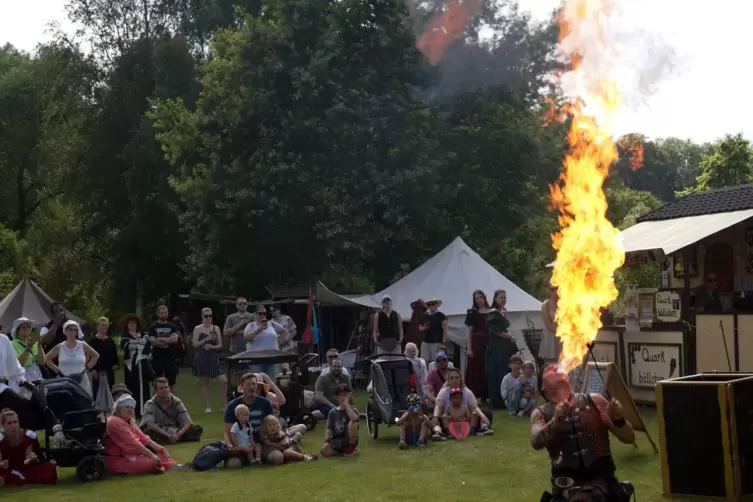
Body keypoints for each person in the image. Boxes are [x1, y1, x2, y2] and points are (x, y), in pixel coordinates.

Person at [531, 363, 635, 501]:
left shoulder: (595, 401)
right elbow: (535, 441)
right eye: (548, 369)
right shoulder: (541, 414)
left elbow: (629, 437)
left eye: (557, 366)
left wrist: (617, 420)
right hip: (565, 490)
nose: (555, 367)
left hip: (602, 486)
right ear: (542, 387)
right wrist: (556, 420)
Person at [103, 394, 179, 475]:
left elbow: (143, 438)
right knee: (152, 462)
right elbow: (134, 443)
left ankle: (163, 464)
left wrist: (161, 449)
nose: (130, 410)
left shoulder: (129, 421)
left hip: (128, 456)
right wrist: (152, 455)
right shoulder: (114, 421)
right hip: (116, 459)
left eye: (132, 408)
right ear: (118, 408)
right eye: (127, 407)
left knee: (159, 455)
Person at [224, 372, 274, 468]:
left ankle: (258, 459)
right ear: (242, 387)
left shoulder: (265, 403)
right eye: (248, 384)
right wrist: (230, 445)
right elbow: (227, 432)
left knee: (276, 458)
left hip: (262, 443)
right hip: (241, 444)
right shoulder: (232, 406)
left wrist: (271, 440)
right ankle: (249, 460)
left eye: (254, 384)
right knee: (233, 465)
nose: (252, 387)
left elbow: (272, 423)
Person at [0, 409, 57, 487]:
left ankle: (9, 480)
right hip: (9, 468)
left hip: (25, 468)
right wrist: (2, 464)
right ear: (3, 425)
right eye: (9, 423)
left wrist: (32, 457)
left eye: (15, 422)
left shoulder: (27, 436)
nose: (13, 426)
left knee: (49, 468)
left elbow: (29, 455)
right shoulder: (1, 439)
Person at [432, 367, 493, 439]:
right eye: (452, 378)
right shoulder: (443, 392)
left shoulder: (466, 392)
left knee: (486, 413)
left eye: (456, 377)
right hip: (449, 422)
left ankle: (483, 427)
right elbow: (438, 407)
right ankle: (439, 433)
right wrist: (435, 417)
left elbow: (475, 407)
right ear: (448, 380)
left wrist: (483, 417)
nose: (454, 380)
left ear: (460, 379)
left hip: (466, 420)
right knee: (434, 419)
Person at [140, 378, 204, 444]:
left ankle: (167, 440)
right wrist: (168, 436)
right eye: (161, 388)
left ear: (169, 389)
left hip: (174, 430)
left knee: (196, 429)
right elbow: (150, 424)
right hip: (159, 430)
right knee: (147, 432)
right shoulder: (150, 404)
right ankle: (175, 439)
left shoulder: (176, 402)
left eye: (166, 387)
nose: (164, 390)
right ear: (156, 391)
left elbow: (187, 422)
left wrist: (177, 434)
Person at [45, 321, 99, 396]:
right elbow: (47, 358)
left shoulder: (82, 345)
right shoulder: (60, 347)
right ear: (65, 331)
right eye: (71, 329)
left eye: (75, 330)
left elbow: (95, 355)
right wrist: (55, 369)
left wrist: (88, 367)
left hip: (81, 380)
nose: (73, 332)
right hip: (64, 379)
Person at [192, 307, 227, 413]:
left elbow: (220, 345)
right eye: (206, 316)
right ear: (202, 317)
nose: (208, 318)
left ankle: (225, 405)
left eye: (210, 316)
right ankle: (207, 406)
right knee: (205, 382)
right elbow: (194, 344)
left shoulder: (215, 328)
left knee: (223, 380)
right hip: (202, 356)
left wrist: (212, 347)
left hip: (213, 356)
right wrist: (206, 339)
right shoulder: (198, 329)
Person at [486, 290, 517, 409]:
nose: (503, 300)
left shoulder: (501, 312)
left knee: (504, 370)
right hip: (497, 347)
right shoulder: (493, 314)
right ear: (495, 299)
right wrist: (510, 337)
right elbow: (496, 331)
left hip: (503, 347)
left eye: (505, 297)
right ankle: (498, 400)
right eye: (501, 298)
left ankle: (505, 398)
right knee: (498, 372)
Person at [120, 314, 154, 416]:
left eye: (134, 323)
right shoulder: (125, 336)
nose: (132, 325)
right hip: (131, 367)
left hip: (142, 365)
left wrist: (135, 343)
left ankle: (144, 410)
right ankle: (133, 411)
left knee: (144, 387)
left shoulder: (143, 334)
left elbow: (147, 343)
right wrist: (139, 342)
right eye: (130, 324)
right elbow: (127, 346)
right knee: (132, 386)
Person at [243, 306, 287, 378]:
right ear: (255, 314)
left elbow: (284, 331)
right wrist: (259, 330)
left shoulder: (271, 324)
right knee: (257, 381)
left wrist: (278, 344)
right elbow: (246, 338)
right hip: (256, 359)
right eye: (260, 313)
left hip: (271, 357)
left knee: (271, 381)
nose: (262, 315)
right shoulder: (251, 325)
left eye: (264, 313)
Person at [88, 317, 118, 414]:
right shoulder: (93, 341)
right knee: (97, 393)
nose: (104, 328)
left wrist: (115, 364)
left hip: (109, 371)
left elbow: (115, 354)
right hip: (98, 371)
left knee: (110, 390)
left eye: (106, 326)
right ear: (98, 327)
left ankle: (110, 411)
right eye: (102, 325)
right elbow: (90, 356)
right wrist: (92, 369)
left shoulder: (110, 340)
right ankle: (98, 413)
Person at [465, 290, 490, 401]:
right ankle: (476, 395)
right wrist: (469, 348)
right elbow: (469, 331)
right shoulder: (472, 313)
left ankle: (488, 395)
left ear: (484, 297)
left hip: (489, 341)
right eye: (476, 298)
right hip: (476, 343)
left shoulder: (491, 312)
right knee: (476, 369)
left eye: (480, 297)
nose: (479, 299)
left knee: (487, 368)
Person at [321, 384, 359, 457]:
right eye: (341, 395)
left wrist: (347, 405)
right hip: (336, 440)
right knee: (324, 451)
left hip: (347, 439)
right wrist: (326, 441)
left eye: (346, 395)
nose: (344, 397)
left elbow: (354, 418)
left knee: (353, 423)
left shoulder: (353, 409)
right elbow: (329, 428)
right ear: (337, 397)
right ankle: (339, 453)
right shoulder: (332, 412)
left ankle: (349, 449)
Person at [10, 318, 45, 398]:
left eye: (28, 327)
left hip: (36, 377)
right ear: (17, 331)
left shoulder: (33, 343)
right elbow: (19, 364)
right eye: (23, 327)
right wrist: (28, 347)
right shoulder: (12, 344)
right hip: (21, 380)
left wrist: (39, 345)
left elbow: (42, 362)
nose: (26, 329)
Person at [148, 306, 180, 387]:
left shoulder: (172, 326)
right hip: (157, 357)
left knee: (171, 383)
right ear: (158, 314)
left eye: (166, 312)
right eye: (162, 313)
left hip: (169, 357)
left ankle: (171, 399)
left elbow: (175, 340)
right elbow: (153, 342)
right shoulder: (153, 327)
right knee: (156, 383)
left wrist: (160, 339)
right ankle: (155, 399)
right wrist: (168, 341)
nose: (164, 315)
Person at [418, 296, 447, 362]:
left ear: (437, 305)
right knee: (424, 361)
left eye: (433, 304)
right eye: (429, 304)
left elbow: (445, 329)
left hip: (437, 342)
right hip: (425, 341)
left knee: (438, 361)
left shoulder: (442, 316)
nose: (431, 306)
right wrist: (424, 327)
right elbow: (419, 327)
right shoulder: (425, 315)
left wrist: (444, 340)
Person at [540, 283, 562, 363]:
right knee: (550, 362)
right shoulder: (545, 305)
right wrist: (559, 332)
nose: (554, 292)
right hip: (550, 335)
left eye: (556, 289)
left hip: (563, 335)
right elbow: (548, 324)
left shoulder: (564, 304)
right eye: (552, 290)